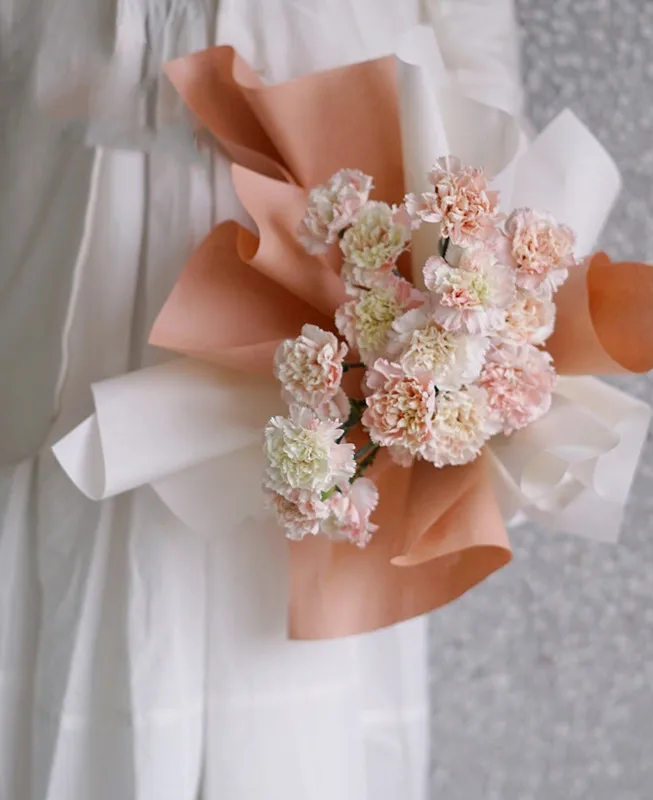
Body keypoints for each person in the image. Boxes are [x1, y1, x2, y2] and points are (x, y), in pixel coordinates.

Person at [0, 1, 521, 797]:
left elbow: (475, 48)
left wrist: (482, 254)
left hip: (336, 208)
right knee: (88, 550)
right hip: (74, 201)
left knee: (302, 557)